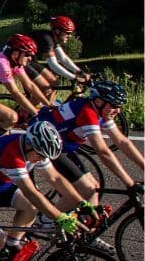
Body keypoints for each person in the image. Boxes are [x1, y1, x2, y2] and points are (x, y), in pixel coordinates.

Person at [0, 120, 87, 261]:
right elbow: (31, 192)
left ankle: (11, 246)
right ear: (30, 145)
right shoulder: (12, 155)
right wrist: (60, 217)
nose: (42, 159)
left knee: (31, 207)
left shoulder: (33, 148)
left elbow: (55, 178)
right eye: (41, 155)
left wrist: (82, 202)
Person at [36, 80, 145, 212]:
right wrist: (129, 183)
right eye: (115, 105)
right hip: (45, 147)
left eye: (120, 106)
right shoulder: (88, 113)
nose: (118, 110)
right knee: (88, 190)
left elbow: (123, 141)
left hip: (63, 147)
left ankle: (90, 229)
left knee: (93, 190)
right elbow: (103, 152)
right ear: (99, 101)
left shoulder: (100, 111)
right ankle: (49, 220)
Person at [27, 16, 86, 100]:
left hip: (30, 61)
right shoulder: (47, 40)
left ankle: (48, 109)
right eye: (67, 33)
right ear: (58, 31)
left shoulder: (53, 38)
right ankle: (26, 112)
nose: (69, 36)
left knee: (55, 82)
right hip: (21, 63)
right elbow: (53, 65)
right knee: (46, 88)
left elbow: (63, 58)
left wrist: (81, 72)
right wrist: (74, 77)